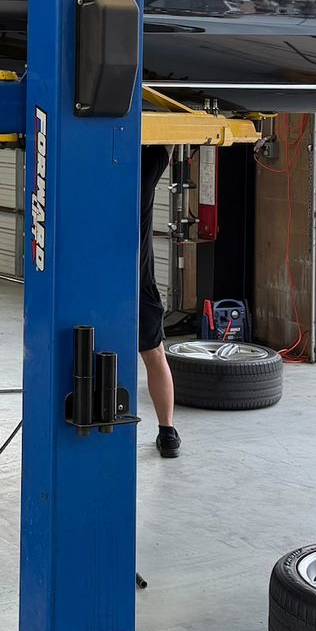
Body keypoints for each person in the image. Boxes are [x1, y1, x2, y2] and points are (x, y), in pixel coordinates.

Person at [139, 144, 178, 457]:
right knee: (154, 355)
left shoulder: (79, 179)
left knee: (85, 355)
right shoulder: (140, 175)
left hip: (89, 285)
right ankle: (167, 432)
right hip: (138, 286)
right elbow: (170, 139)